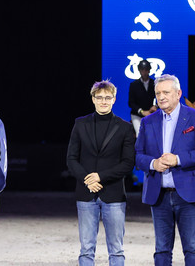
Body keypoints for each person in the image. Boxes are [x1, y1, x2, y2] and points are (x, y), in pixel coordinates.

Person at [134, 74, 195, 266]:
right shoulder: (147, 122)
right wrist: (154, 164)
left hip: (188, 194)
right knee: (161, 250)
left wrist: (177, 159)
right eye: (158, 93)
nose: (161, 97)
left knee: (192, 249)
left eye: (166, 92)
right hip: (159, 195)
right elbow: (137, 156)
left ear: (178, 94)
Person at [66, 80, 136, 266]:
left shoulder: (125, 127)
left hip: (113, 194)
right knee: (86, 249)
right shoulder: (80, 124)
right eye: (99, 97)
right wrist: (87, 180)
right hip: (85, 192)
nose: (103, 101)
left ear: (114, 99)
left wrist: (100, 177)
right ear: (93, 99)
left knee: (116, 250)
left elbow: (128, 163)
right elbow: (71, 159)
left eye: (107, 98)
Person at [128, 59, 157, 134]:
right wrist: (141, 111)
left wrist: (156, 106)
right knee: (139, 134)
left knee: (152, 134)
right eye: (142, 70)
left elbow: (158, 98)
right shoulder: (134, 85)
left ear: (149, 70)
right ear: (139, 70)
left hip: (151, 114)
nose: (144, 72)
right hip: (137, 115)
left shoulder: (155, 84)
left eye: (146, 69)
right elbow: (131, 102)